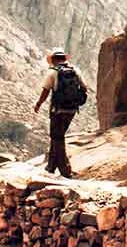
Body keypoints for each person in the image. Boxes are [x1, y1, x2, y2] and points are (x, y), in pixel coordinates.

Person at [33, 49, 88, 177]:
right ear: (64, 59)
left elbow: (45, 91)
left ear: (53, 60)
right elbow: (85, 88)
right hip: (72, 110)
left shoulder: (52, 72)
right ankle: (51, 167)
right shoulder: (76, 71)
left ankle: (66, 171)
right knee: (57, 136)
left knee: (57, 138)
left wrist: (38, 104)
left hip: (57, 110)